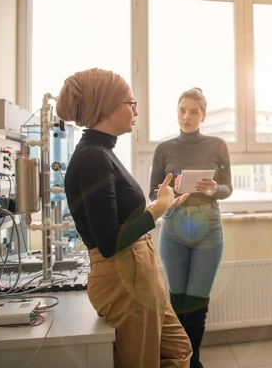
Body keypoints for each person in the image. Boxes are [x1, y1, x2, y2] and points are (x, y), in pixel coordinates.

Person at [57, 68, 193, 368]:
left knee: (179, 350)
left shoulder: (101, 152)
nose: (135, 110)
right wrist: (157, 210)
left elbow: (118, 221)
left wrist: (161, 205)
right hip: (123, 275)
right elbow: (109, 241)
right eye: (129, 103)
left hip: (137, 270)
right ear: (105, 106)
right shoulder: (93, 157)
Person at [149, 87, 232, 368]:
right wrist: (167, 190)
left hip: (208, 225)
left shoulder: (217, 145)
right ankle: (179, 360)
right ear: (177, 114)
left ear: (203, 115)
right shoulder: (164, 148)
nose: (187, 116)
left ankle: (193, 360)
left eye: (194, 111)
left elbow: (227, 188)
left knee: (197, 303)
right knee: (178, 301)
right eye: (182, 111)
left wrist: (213, 189)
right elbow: (152, 193)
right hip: (174, 225)